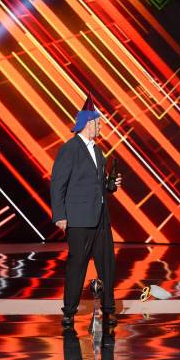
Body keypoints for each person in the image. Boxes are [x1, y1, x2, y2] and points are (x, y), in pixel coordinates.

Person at [50, 95, 122, 327]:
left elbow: (99, 185)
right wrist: (59, 215)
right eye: (98, 123)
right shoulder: (70, 149)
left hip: (101, 217)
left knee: (107, 264)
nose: (101, 126)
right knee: (77, 264)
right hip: (79, 218)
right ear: (88, 123)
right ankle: (69, 311)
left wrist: (111, 185)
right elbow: (58, 183)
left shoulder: (99, 151)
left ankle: (109, 308)